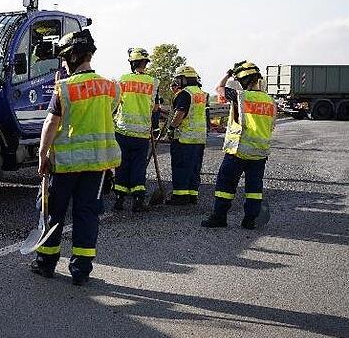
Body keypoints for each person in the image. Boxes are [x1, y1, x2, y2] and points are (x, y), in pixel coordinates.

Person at [33, 29, 121, 285]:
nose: (62, 64)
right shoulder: (110, 87)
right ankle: (81, 270)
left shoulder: (65, 87)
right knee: (87, 215)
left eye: (64, 58)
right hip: (97, 165)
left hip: (65, 165)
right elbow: (107, 112)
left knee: (53, 212)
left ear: (73, 56)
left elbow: (51, 123)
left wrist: (42, 154)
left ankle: (46, 263)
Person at [202, 61, 276, 229]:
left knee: (225, 185)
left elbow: (219, 88)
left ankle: (219, 217)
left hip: (238, 150)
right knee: (254, 188)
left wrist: (228, 75)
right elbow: (271, 126)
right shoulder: (270, 101)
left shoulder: (240, 96)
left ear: (244, 81)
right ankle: (250, 220)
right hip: (260, 153)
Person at [112, 47, 159, 212]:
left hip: (122, 130)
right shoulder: (153, 82)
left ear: (132, 63)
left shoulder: (122, 80)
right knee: (138, 166)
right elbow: (155, 108)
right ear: (145, 63)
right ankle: (138, 201)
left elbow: (115, 102)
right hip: (141, 133)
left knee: (122, 165)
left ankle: (119, 200)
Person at [166, 66, 207, 205]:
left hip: (185, 138)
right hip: (199, 138)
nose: (177, 82)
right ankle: (192, 195)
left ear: (184, 79)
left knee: (181, 167)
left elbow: (180, 113)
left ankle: (180, 196)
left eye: (178, 79)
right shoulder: (201, 93)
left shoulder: (185, 94)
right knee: (194, 168)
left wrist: (171, 128)